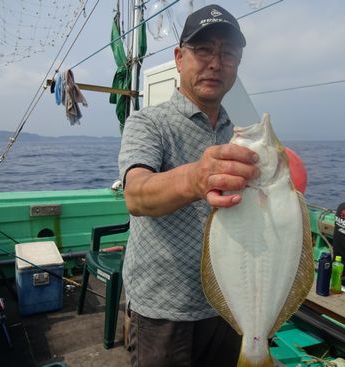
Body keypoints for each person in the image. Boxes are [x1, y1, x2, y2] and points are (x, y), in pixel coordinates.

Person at [118, 5, 259, 367]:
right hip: (164, 310)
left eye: (227, 53)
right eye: (203, 50)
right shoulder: (147, 123)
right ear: (180, 58)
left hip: (230, 304)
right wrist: (196, 177)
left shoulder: (243, 136)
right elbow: (136, 194)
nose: (216, 62)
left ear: (237, 64)